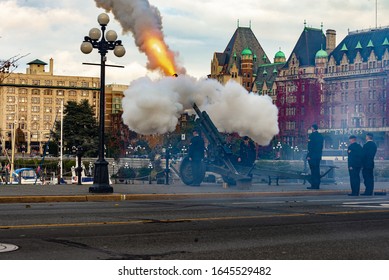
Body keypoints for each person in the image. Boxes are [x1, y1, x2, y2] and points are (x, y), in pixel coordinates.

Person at [306, 124, 323, 189]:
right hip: (318, 156)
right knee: (317, 170)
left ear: (312, 128)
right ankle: (317, 185)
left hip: (312, 156)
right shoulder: (320, 136)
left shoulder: (312, 136)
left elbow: (311, 147)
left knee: (313, 171)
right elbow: (320, 147)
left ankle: (314, 185)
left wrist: (309, 155)